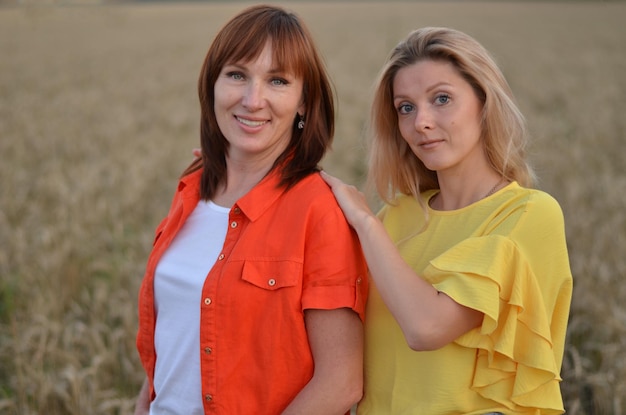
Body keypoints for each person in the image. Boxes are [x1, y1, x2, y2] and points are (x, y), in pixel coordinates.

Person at [321, 27, 573, 414]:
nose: (421, 121)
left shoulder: (527, 215)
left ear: (484, 103)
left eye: (442, 99)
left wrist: (365, 222)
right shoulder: (398, 216)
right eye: (405, 107)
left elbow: (427, 327)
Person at [134, 5, 368, 415]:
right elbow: (172, 344)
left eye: (277, 80)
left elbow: (341, 382)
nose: (252, 99)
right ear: (212, 85)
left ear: (303, 102)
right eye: (237, 75)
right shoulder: (191, 191)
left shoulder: (319, 211)